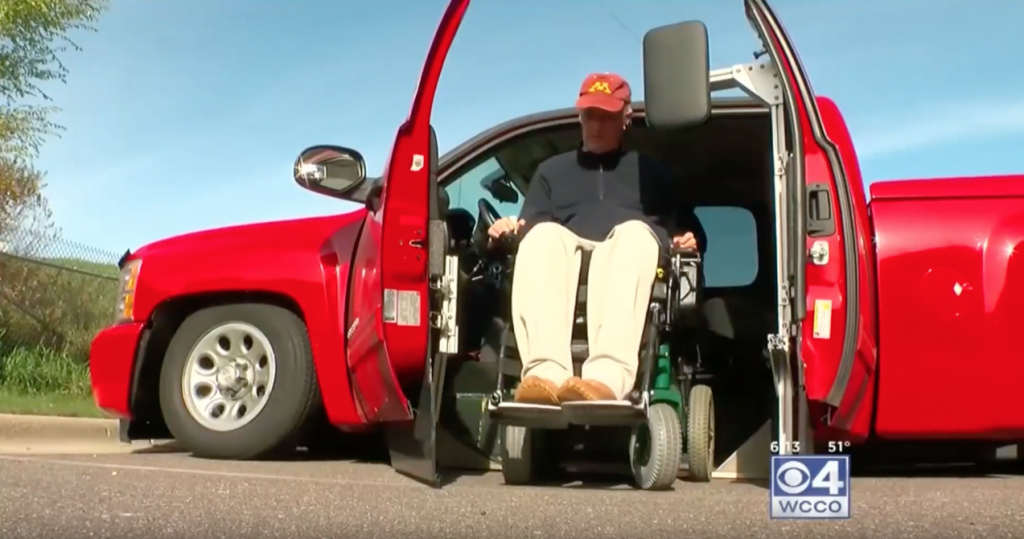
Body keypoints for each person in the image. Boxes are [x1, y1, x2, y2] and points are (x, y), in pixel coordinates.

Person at [488, 72, 707, 405]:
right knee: (542, 235)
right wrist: (505, 231)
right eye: (591, 115)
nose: (597, 125)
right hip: (569, 259)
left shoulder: (651, 172)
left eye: (606, 116)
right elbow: (527, 229)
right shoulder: (551, 172)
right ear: (580, 116)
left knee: (632, 234)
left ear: (625, 118)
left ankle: (606, 379)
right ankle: (545, 375)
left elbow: (688, 230)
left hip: (631, 254)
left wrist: (685, 240)